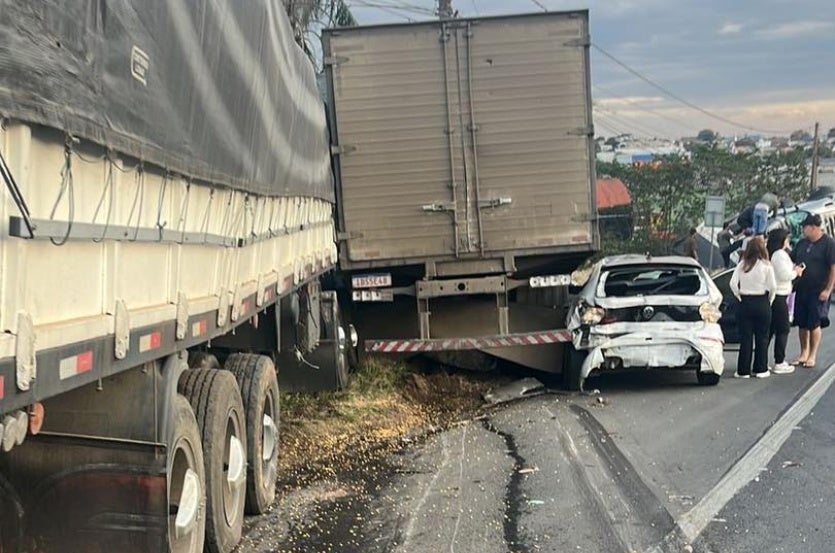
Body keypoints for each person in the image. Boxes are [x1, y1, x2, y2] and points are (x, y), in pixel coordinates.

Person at [790, 213, 835, 369]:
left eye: (805, 228)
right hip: (802, 288)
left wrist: (828, 290)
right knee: (802, 322)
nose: (803, 231)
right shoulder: (802, 243)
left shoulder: (828, 244)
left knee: (814, 323)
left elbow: (833, 268)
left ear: (813, 228)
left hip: (819, 289)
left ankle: (812, 354)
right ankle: (803, 352)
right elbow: (792, 258)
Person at [730, 237, 776, 378]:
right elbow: (773, 287)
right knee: (762, 337)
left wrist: (739, 296)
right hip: (761, 301)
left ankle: (743, 371)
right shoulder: (767, 266)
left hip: (745, 301)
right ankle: (761, 369)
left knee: (746, 337)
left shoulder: (742, 265)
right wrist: (769, 300)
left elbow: (732, 283)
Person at [766, 229, 803, 374]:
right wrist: (796, 272)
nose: (788, 241)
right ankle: (779, 361)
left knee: (770, 330)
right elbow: (784, 275)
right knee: (783, 329)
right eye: (786, 238)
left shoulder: (772, 254)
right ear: (782, 240)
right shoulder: (779, 255)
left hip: (774, 296)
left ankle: (760, 361)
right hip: (780, 295)